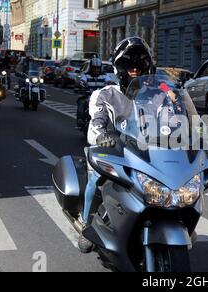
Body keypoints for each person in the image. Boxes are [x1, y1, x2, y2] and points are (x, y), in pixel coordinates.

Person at [78, 37, 155, 253]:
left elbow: (176, 116)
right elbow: (97, 121)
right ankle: (87, 224)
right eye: (128, 65)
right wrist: (102, 135)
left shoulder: (156, 94)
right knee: (96, 177)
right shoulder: (105, 94)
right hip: (113, 151)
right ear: (118, 68)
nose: (134, 70)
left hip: (148, 154)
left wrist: (194, 131)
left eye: (139, 65)